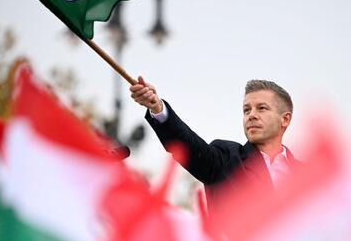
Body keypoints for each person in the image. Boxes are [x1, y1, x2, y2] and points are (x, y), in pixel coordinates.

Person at [129, 77, 300, 219]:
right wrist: (157, 108)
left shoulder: (304, 175)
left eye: (261, 108)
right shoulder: (226, 158)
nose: (252, 115)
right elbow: (189, 145)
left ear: (285, 119)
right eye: (246, 110)